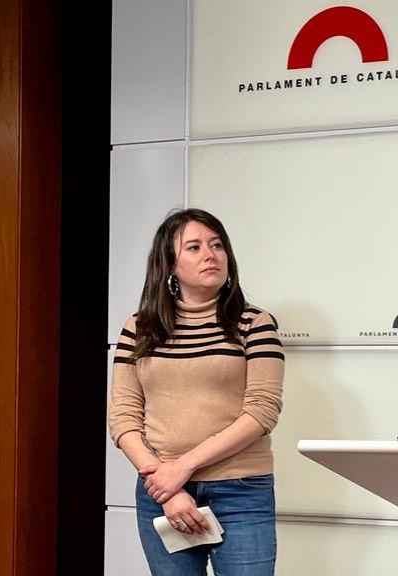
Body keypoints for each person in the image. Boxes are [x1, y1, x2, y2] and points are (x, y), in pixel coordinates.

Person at [109, 208, 285, 575]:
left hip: (241, 491)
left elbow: (262, 411)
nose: (210, 254)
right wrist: (167, 486)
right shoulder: (139, 327)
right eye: (194, 247)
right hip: (161, 493)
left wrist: (183, 467)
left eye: (217, 245)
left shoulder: (255, 323)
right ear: (169, 264)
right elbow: (123, 416)